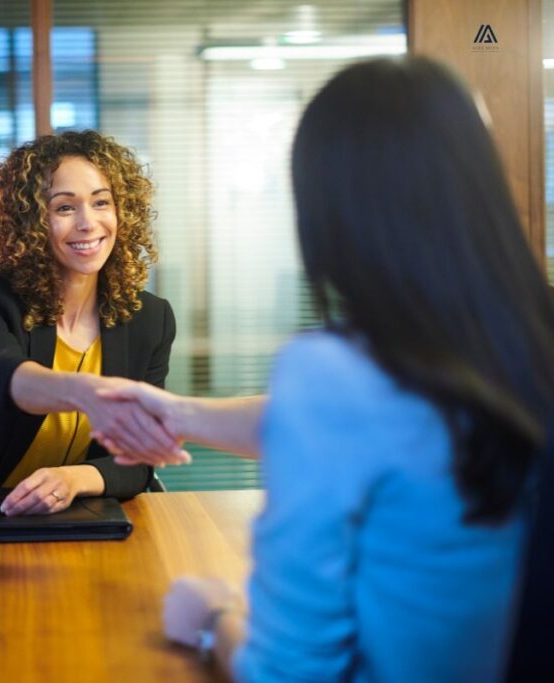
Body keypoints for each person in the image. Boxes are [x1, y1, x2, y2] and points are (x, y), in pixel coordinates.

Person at [99, 56, 554, 682]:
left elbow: (286, 673)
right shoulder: (514, 344)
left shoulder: (336, 374)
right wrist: (179, 414)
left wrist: (209, 619)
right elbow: (370, 428)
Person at [0, 130, 188, 515]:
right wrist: (85, 392)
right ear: (31, 221)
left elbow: (137, 460)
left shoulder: (149, 319)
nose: (88, 223)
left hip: (78, 513)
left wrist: (73, 479)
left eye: (101, 202)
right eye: (65, 208)